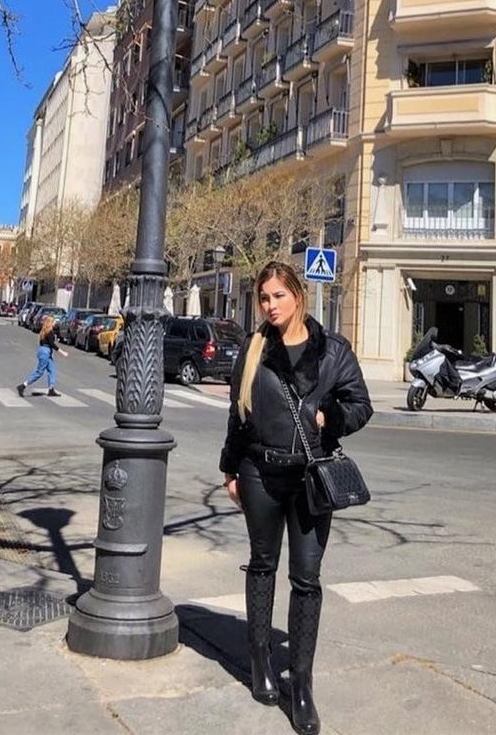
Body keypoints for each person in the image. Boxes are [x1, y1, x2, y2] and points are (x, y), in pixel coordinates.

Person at [220, 261, 372, 735]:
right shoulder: (254, 347)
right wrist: (230, 469)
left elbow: (361, 405)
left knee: (307, 578)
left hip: (310, 478)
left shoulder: (332, 350)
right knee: (262, 564)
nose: (270, 306)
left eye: (278, 296)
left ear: (298, 295)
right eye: (264, 298)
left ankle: (301, 683)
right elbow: (238, 414)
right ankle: (260, 659)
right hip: (260, 474)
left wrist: (331, 416)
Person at [17, 315, 67, 398]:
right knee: (39, 372)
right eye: (53, 321)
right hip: (45, 352)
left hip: (43, 351)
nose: (55, 323)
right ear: (50, 323)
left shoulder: (43, 331)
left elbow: (42, 343)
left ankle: (51, 389)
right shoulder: (49, 332)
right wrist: (62, 352)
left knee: (52, 370)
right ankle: (23, 386)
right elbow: (52, 344)